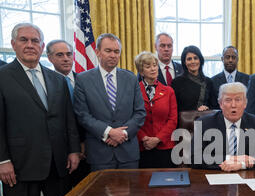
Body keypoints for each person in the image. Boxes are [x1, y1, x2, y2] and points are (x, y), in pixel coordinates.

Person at [0, 23, 80, 196]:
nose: (30, 44)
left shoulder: (57, 79)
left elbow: (68, 119)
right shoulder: (3, 77)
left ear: (42, 47)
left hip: (58, 162)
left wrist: (72, 150)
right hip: (20, 164)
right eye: (24, 40)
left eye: (35, 40)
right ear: (14, 44)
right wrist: (2, 161)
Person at [73, 33, 146, 171]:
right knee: (101, 193)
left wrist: (122, 134)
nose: (113, 55)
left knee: (131, 192)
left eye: (116, 51)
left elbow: (140, 112)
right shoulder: (83, 80)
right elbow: (83, 115)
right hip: (100, 154)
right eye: (108, 51)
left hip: (128, 154)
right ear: (98, 52)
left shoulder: (130, 78)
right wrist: (108, 132)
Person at [192, 82, 255, 171]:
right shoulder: (204, 124)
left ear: (245, 103)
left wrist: (242, 165)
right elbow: (195, 158)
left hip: (246, 178)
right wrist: (232, 159)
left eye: (238, 100)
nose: (233, 105)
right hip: (216, 178)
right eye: (228, 100)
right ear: (221, 104)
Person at [46, 39, 91, 185]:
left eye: (69, 54)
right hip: (60, 152)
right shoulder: (45, 85)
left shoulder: (85, 81)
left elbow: (91, 114)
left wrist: (83, 142)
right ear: (50, 58)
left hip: (87, 149)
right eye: (60, 55)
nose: (66, 59)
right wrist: (72, 147)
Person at [134, 51, 178, 168]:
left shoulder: (169, 91)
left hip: (165, 146)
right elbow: (131, 118)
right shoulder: (134, 90)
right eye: (148, 66)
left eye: (154, 65)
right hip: (143, 146)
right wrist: (143, 138)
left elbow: (173, 119)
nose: (153, 69)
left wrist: (158, 139)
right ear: (141, 71)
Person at [171, 45, 217, 112]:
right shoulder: (176, 82)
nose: (193, 61)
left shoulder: (209, 82)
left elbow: (215, 106)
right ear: (184, 62)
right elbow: (173, 108)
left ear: (200, 60)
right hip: (184, 121)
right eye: (189, 59)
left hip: (205, 120)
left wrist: (207, 108)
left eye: (195, 58)